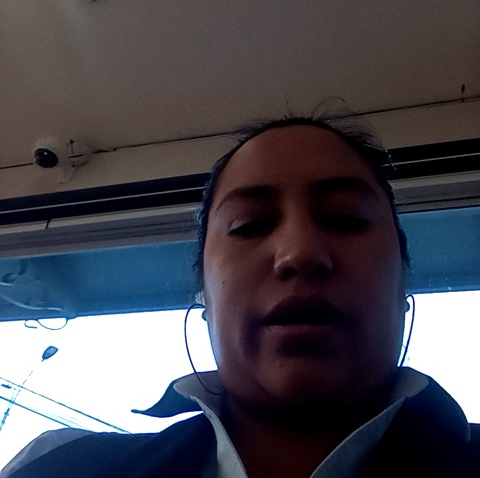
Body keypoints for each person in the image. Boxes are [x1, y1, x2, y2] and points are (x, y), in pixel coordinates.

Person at [2, 115, 479, 477]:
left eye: (346, 218)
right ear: (205, 300)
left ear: (402, 289)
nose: (299, 252)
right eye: (249, 225)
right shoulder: (54, 468)